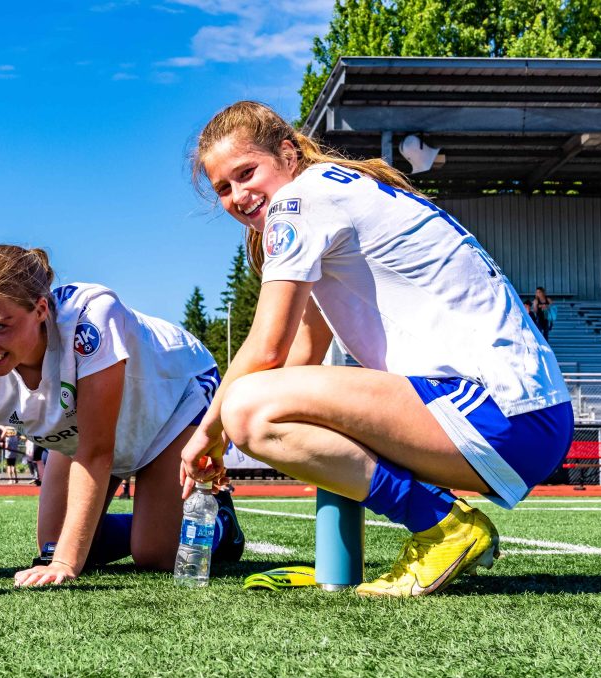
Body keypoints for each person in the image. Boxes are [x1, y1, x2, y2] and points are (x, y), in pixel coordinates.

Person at [181, 101, 573, 598]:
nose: (238, 195)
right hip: (530, 415)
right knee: (267, 404)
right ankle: (341, 560)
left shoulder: (300, 200)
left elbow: (266, 350)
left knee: (248, 410)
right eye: (223, 188)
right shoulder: (332, 192)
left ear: (286, 154)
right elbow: (299, 356)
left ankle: (443, 526)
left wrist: (207, 434)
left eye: (246, 172)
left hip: (503, 415)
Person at [0, 245, 244, 590]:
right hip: (89, 433)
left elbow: (97, 450)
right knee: (53, 545)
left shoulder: (92, 317)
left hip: (176, 401)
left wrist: (67, 563)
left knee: (154, 554)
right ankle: (153, 519)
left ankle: (221, 524)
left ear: (40, 309)